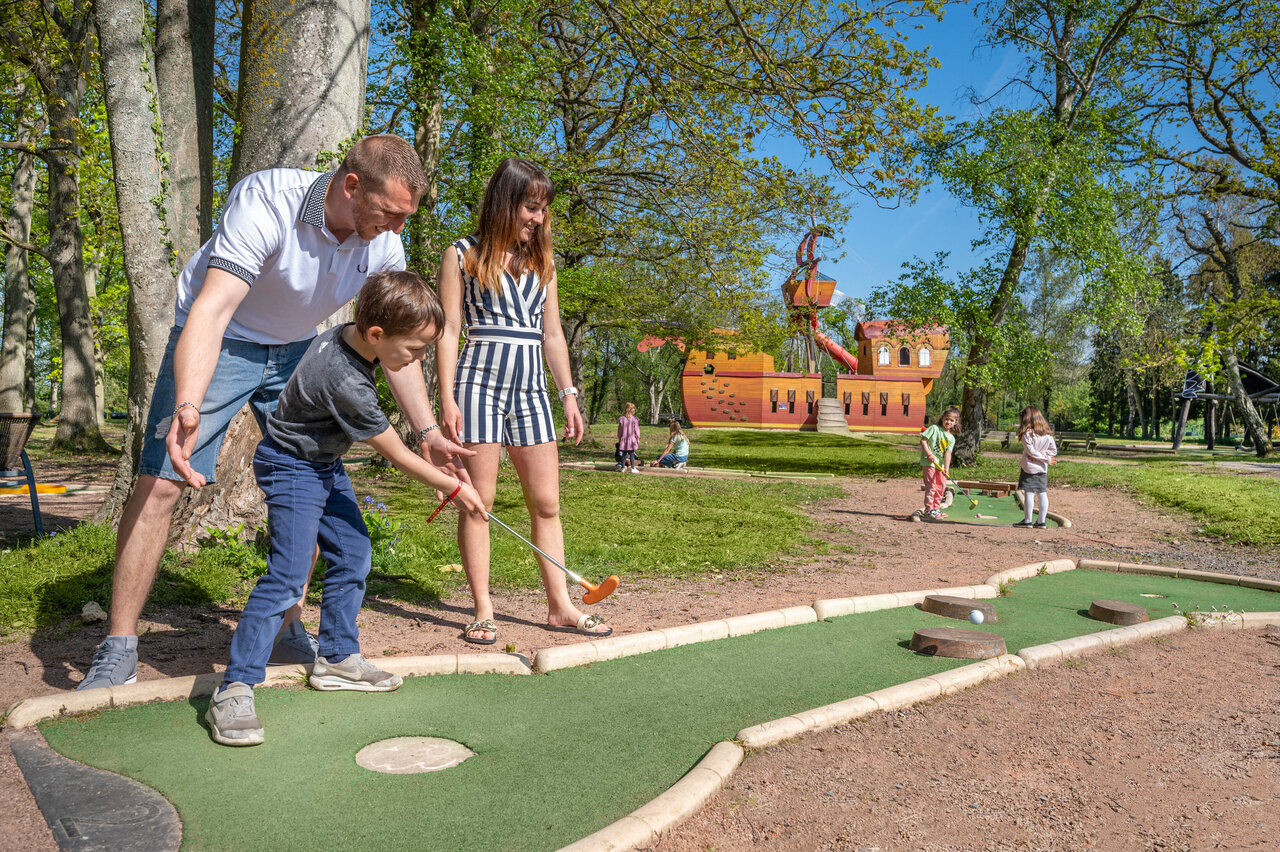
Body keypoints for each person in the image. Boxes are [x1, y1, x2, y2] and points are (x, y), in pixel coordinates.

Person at [78, 135, 472, 691]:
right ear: (352, 186)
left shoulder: (383, 243)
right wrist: (188, 402)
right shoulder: (268, 201)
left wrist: (426, 431)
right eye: (390, 212)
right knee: (163, 483)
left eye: (406, 217)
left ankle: (289, 629)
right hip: (223, 339)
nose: (397, 228)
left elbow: (396, 349)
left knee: (310, 475)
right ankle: (118, 648)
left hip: (296, 349)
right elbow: (212, 309)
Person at [206, 271, 485, 746]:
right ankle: (235, 687)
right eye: (415, 349)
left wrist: (438, 454)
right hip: (292, 467)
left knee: (353, 553)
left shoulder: (348, 336)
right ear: (376, 334)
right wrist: (456, 488)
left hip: (322, 464)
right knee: (287, 576)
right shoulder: (345, 381)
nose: (418, 359)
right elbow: (397, 455)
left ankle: (336, 658)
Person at [436, 157, 611, 645]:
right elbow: (449, 330)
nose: (539, 218)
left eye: (543, 209)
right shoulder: (461, 254)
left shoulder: (544, 263)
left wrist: (569, 395)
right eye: (531, 207)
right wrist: (446, 396)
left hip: (532, 390)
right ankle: (483, 609)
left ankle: (561, 607)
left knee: (547, 503)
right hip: (478, 385)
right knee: (479, 502)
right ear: (505, 202)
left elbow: (552, 334)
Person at [1013, 406, 1057, 528]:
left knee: (1029, 493)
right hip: (1042, 469)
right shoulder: (1047, 435)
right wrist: (1045, 458)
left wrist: (1039, 457)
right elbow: (1053, 451)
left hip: (1029, 468)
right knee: (1042, 492)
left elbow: (1031, 452)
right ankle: (1041, 521)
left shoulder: (1027, 434)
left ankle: (1028, 520)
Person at [919, 406, 959, 520]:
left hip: (940, 466)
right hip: (930, 463)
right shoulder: (934, 428)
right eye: (947, 419)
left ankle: (936, 509)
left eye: (951, 420)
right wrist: (929, 454)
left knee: (941, 487)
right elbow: (923, 441)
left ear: (955, 422)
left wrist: (946, 468)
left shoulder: (951, 438)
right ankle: (928, 510)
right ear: (942, 418)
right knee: (931, 486)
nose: (948, 422)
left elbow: (948, 454)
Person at [617, 402, 640, 472]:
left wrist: (619, 437)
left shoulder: (622, 419)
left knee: (624, 454)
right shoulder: (634, 420)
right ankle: (632, 468)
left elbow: (620, 430)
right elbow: (636, 430)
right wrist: (637, 438)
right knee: (631, 454)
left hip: (624, 439)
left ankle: (623, 468)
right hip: (631, 440)